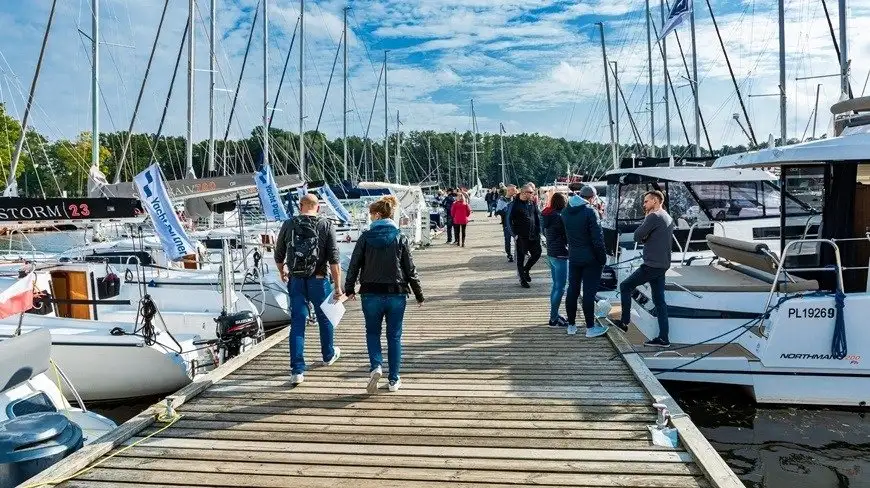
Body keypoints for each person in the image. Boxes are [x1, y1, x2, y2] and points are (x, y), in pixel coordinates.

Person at [345, 196, 425, 393]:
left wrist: (349, 289)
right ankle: (393, 380)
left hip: (370, 293)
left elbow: (354, 264)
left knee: (372, 333)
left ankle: (376, 366)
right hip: (396, 294)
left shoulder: (365, 237)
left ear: (378, 214)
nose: (370, 217)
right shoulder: (400, 237)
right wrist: (419, 294)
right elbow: (410, 269)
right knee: (394, 336)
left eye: (371, 214)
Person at [275, 193, 342, 385]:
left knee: (297, 323)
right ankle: (328, 355)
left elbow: (279, 253)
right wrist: (337, 286)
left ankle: (297, 370)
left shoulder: (289, 224)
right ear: (318, 207)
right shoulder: (326, 224)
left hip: (296, 279)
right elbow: (334, 259)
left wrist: (282, 272)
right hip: (319, 279)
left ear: (300, 206)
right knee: (325, 318)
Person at [613, 190, 674, 348]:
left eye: (646, 201)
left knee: (625, 286)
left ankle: (624, 322)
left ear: (655, 201)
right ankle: (663, 338)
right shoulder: (667, 216)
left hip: (651, 265)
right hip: (662, 265)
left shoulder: (654, 216)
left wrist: (645, 227)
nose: (644, 204)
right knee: (660, 302)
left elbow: (637, 235)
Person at [562, 186, 608, 337]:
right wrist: (602, 259)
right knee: (589, 293)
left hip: (574, 257)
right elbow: (597, 239)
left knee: (572, 290)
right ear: (592, 197)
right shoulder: (590, 211)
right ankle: (590, 328)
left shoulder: (566, 211)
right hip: (591, 259)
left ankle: (571, 325)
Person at [541, 192, 569, 328]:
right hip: (561, 254)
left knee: (555, 286)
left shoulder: (547, 214)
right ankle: (553, 318)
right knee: (561, 287)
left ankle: (555, 314)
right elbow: (567, 236)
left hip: (551, 253)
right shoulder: (560, 217)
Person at [510, 183, 542, 289]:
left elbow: (537, 216)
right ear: (524, 193)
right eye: (531, 192)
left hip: (534, 234)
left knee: (537, 253)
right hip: (521, 236)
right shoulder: (514, 204)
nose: (533, 194)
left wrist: (539, 230)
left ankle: (526, 269)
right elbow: (508, 220)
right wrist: (514, 235)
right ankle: (522, 280)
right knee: (520, 257)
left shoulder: (532, 202)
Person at [495, 185, 517, 262]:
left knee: (518, 238)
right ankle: (509, 255)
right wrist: (506, 210)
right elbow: (497, 211)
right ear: (509, 190)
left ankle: (520, 253)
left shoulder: (515, 199)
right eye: (514, 190)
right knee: (507, 239)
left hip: (516, 223)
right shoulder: (502, 200)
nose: (515, 191)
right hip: (506, 223)